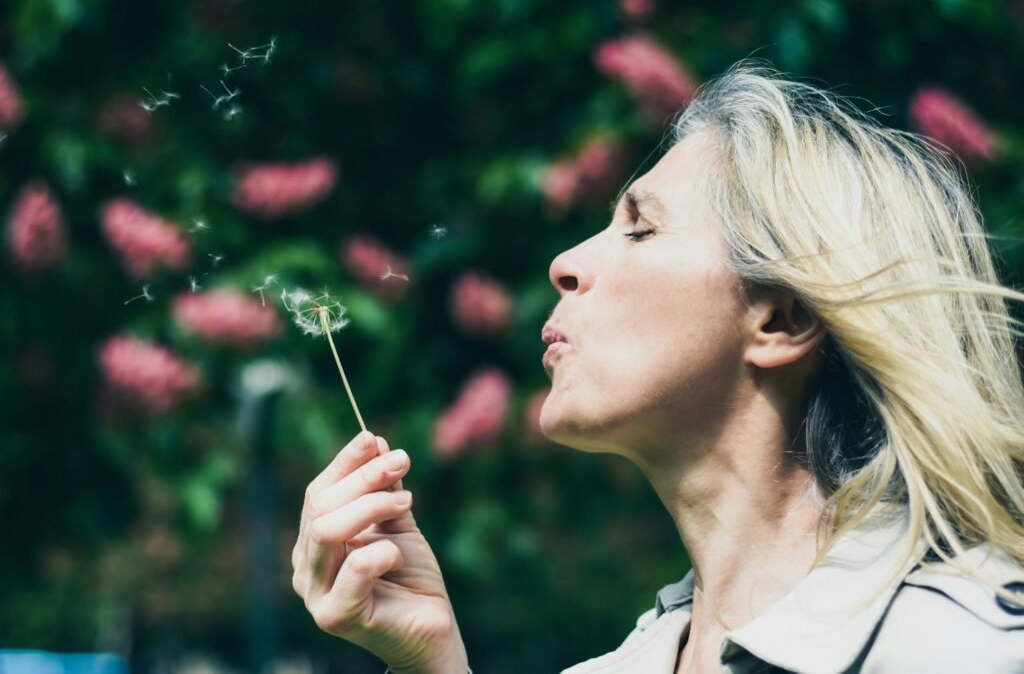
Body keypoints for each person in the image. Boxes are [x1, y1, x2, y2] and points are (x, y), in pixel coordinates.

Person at [290, 63, 1024, 673]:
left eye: (640, 227)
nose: (565, 262)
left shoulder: (971, 650)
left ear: (781, 318)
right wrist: (431, 662)